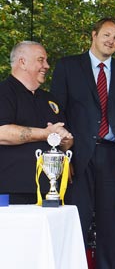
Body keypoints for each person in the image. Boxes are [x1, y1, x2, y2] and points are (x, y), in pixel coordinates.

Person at [50, 17, 115, 269]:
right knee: (74, 221)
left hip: (114, 158)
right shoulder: (68, 66)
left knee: (110, 227)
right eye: (107, 35)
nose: (111, 41)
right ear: (93, 35)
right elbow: (57, 113)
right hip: (78, 157)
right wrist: (61, 152)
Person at [0, 41, 73, 204]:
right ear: (22, 62)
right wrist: (46, 134)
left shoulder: (50, 99)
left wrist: (66, 141)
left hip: (51, 190)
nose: (46, 66)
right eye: (41, 60)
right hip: (11, 190)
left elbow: (62, 143)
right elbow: (2, 132)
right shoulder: (4, 92)